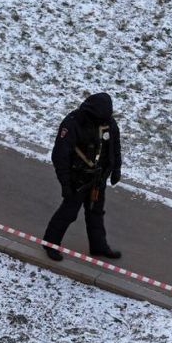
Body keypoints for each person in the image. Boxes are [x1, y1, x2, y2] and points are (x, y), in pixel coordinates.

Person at [42, 91, 122, 261]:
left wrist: (116, 169)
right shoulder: (73, 123)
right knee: (68, 213)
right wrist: (65, 183)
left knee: (96, 213)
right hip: (76, 179)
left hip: (98, 179)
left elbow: (115, 147)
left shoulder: (108, 122)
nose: (105, 120)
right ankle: (50, 243)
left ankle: (98, 246)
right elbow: (60, 155)